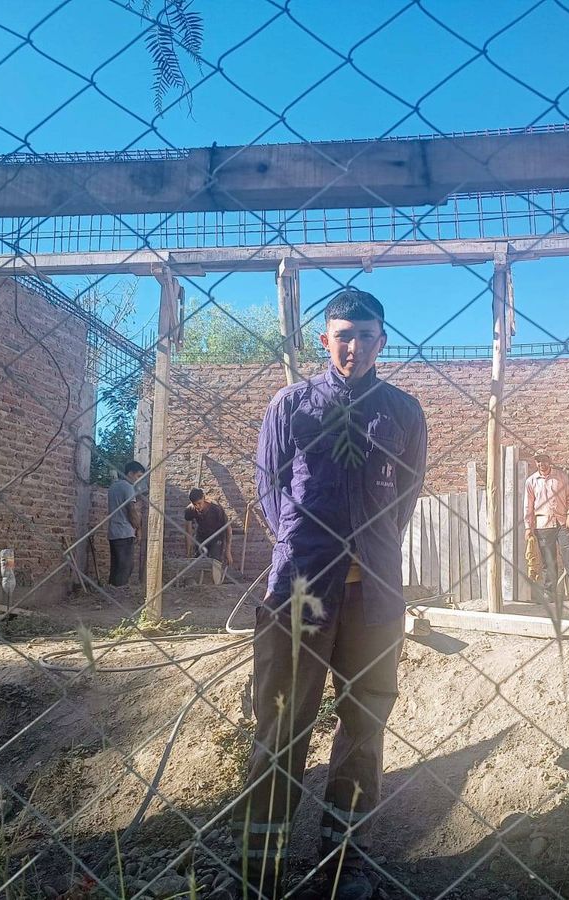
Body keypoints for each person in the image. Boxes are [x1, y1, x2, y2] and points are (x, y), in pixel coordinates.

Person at [237, 288, 427, 900]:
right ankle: (258, 866)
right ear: (324, 340)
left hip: (374, 598)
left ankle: (345, 863)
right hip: (299, 594)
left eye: (366, 335)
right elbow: (270, 495)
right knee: (281, 725)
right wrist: (309, 550)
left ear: (382, 341)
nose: (354, 346)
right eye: (343, 335)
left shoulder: (402, 411)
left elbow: (406, 497)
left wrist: (371, 550)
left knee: (363, 725)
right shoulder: (290, 407)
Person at [524, 450, 569, 606]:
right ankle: (550, 594)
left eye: (545, 460)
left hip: (562, 523)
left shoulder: (561, 477)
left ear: (550, 460)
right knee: (549, 561)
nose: (542, 464)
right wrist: (528, 527)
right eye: (539, 461)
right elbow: (528, 506)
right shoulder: (531, 481)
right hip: (543, 525)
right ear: (536, 463)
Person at [107, 460, 145, 587]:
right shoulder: (128, 487)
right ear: (130, 473)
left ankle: (111, 591)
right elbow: (131, 511)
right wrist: (138, 529)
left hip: (113, 533)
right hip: (124, 532)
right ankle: (119, 593)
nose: (138, 480)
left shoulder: (113, 487)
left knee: (116, 565)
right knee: (126, 566)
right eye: (138, 476)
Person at [184, 487, 232, 584]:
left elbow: (228, 529)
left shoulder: (216, 509)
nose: (197, 506)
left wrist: (228, 551)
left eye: (199, 503)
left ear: (204, 499)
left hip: (216, 536)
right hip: (201, 536)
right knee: (197, 561)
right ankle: (200, 586)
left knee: (214, 561)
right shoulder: (190, 510)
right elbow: (188, 532)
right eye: (195, 504)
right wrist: (189, 549)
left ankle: (215, 585)